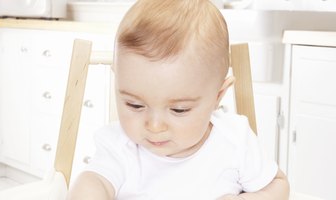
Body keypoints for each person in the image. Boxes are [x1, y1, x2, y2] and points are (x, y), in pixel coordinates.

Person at [67, 0, 290, 199]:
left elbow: (279, 185)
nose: (154, 126)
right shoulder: (121, 146)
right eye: (135, 105)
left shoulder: (235, 140)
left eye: (179, 110)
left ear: (217, 97)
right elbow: (95, 181)